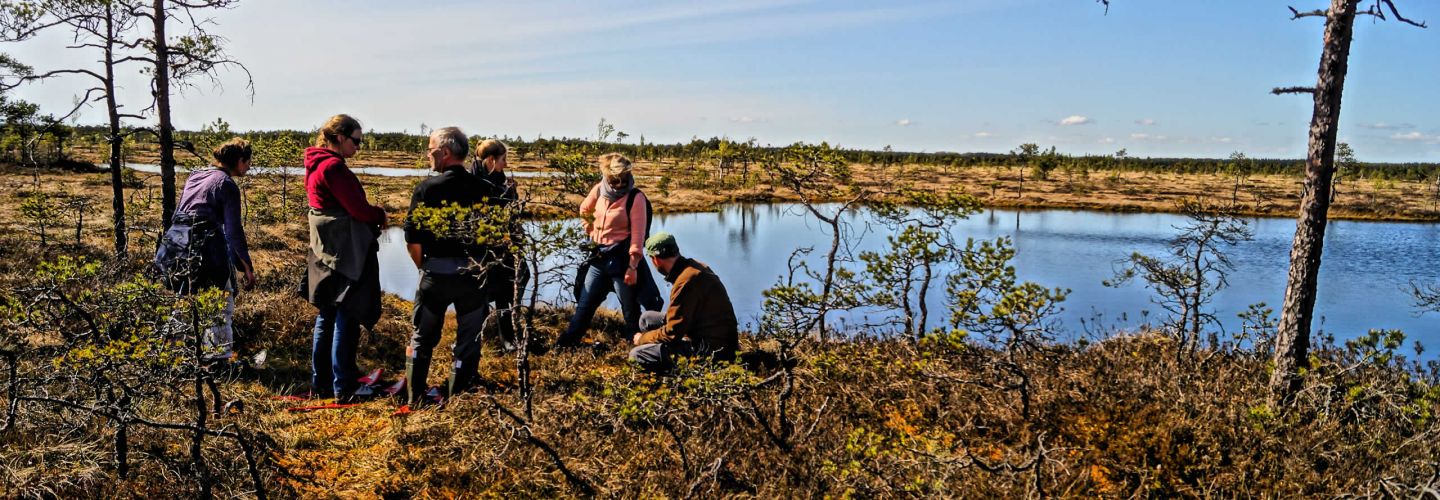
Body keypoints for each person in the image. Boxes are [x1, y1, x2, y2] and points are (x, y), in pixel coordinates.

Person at [301, 114, 387, 402]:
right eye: (356, 141)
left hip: (325, 250)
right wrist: (379, 214)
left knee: (327, 313)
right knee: (346, 314)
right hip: (345, 252)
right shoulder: (334, 167)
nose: (358, 147)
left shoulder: (316, 164)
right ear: (339, 137)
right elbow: (358, 210)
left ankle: (322, 384)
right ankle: (345, 387)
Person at [402, 127, 491, 405]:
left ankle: (415, 399)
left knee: (422, 337)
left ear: (445, 152)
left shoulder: (427, 189)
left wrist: (424, 267)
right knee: (469, 339)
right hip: (474, 276)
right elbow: (496, 237)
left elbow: (412, 238)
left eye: (430, 150)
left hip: (435, 275)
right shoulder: (485, 189)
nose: (428, 155)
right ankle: (457, 399)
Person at [154, 138, 256, 361]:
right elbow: (233, 231)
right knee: (221, 304)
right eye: (248, 162)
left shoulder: (196, 176)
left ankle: (170, 356)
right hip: (206, 250)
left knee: (183, 300)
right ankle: (217, 359)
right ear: (240, 161)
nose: (249, 167)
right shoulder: (227, 185)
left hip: (177, 245)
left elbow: (179, 213)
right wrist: (246, 267)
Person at [554, 153, 662, 349]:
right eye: (614, 179)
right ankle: (566, 344)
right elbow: (584, 209)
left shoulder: (635, 198)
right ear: (607, 175)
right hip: (598, 258)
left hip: (622, 262)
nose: (619, 184)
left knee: (630, 310)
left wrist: (633, 266)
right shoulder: (599, 189)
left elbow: (638, 236)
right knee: (585, 305)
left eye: (623, 178)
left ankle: (636, 348)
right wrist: (590, 229)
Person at [629, 232, 740, 373]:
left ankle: (673, 375)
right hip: (715, 338)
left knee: (636, 355)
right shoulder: (693, 267)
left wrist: (642, 339)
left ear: (655, 260)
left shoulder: (685, 282)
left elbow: (672, 333)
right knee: (647, 319)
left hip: (712, 352)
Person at [470, 138, 527, 352]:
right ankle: (477, 337)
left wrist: (511, 193)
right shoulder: (471, 181)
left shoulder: (500, 180)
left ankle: (507, 338)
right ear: (491, 160)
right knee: (479, 294)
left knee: (505, 290)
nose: (506, 164)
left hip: (501, 247)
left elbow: (511, 215)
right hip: (478, 248)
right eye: (503, 159)